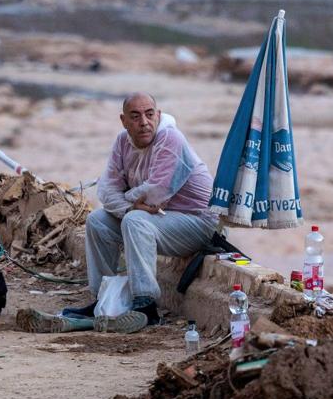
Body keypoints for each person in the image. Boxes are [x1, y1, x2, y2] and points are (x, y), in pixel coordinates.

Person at [18, 93, 217, 334]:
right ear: (123, 121)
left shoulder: (170, 138)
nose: (144, 122)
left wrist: (130, 201)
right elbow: (106, 189)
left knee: (135, 221)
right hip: (160, 221)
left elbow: (157, 193)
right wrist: (130, 204)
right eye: (135, 116)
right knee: (97, 221)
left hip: (197, 223)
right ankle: (103, 300)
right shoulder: (123, 142)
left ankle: (146, 306)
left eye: (149, 114)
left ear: (159, 115)